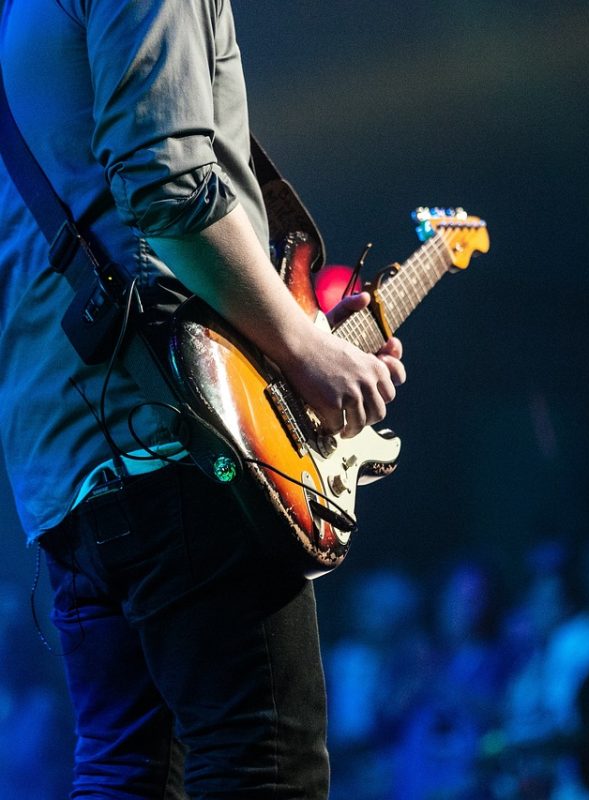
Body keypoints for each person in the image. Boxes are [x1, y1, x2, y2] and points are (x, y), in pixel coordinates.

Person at [0, 1, 405, 797]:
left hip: (64, 469)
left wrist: (301, 332)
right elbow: (169, 191)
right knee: (265, 768)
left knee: (126, 774)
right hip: (182, 440)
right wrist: (305, 347)